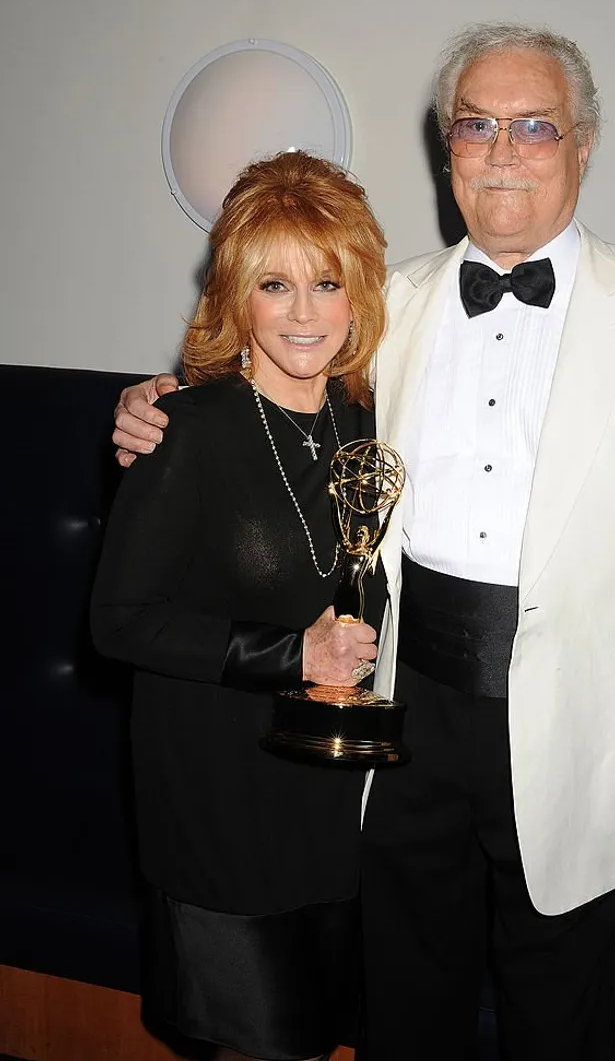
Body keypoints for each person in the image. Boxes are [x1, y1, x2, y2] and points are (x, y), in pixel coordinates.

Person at [113, 24, 615, 1061]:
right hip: (404, 710)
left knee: (564, 1014)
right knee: (409, 1001)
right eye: (476, 125)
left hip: (584, 725)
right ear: (446, 149)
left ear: (582, 145)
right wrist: (157, 398)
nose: (504, 149)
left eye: (535, 126)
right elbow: (267, 371)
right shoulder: (387, 306)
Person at [92, 150, 389, 1061]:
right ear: (237, 296)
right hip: (220, 795)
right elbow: (119, 620)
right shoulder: (184, 429)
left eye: (326, 282)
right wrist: (288, 654)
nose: (304, 313)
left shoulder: (369, 422)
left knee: (315, 1038)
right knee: (259, 1043)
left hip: (339, 799)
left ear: (359, 294)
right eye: (274, 283)